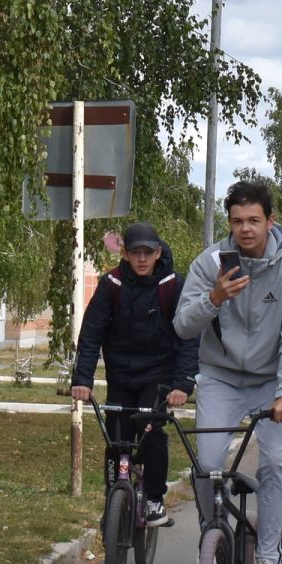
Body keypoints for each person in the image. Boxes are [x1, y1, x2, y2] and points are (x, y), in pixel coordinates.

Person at [174, 180, 282, 564]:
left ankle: (269, 557)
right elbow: (183, 326)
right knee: (207, 464)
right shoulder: (210, 264)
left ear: (270, 221)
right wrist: (214, 298)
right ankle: (212, 537)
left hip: (272, 382)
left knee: (273, 463)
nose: (246, 229)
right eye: (237, 221)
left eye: (254, 220)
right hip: (220, 378)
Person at [69, 222, 197, 527]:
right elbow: (90, 335)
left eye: (147, 253)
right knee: (116, 442)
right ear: (124, 253)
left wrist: (182, 384)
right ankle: (114, 499)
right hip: (121, 376)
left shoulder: (172, 285)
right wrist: (82, 380)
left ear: (158, 253)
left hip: (158, 376)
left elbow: (189, 338)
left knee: (153, 436)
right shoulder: (110, 285)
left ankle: (154, 499)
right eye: (135, 252)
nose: (142, 259)